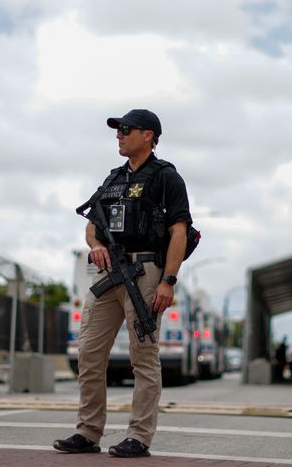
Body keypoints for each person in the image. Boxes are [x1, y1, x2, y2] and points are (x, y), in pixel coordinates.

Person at [53, 109, 191, 458]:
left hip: (145, 275)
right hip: (109, 275)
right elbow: (92, 224)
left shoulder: (166, 178)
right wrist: (96, 245)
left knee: (143, 357)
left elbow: (180, 232)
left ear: (148, 135)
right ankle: (87, 432)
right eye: (118, 130)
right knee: (88, 353)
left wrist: (168, 281)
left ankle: (139, 437)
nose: (119, 135)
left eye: (126, 130)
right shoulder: (113, 178)